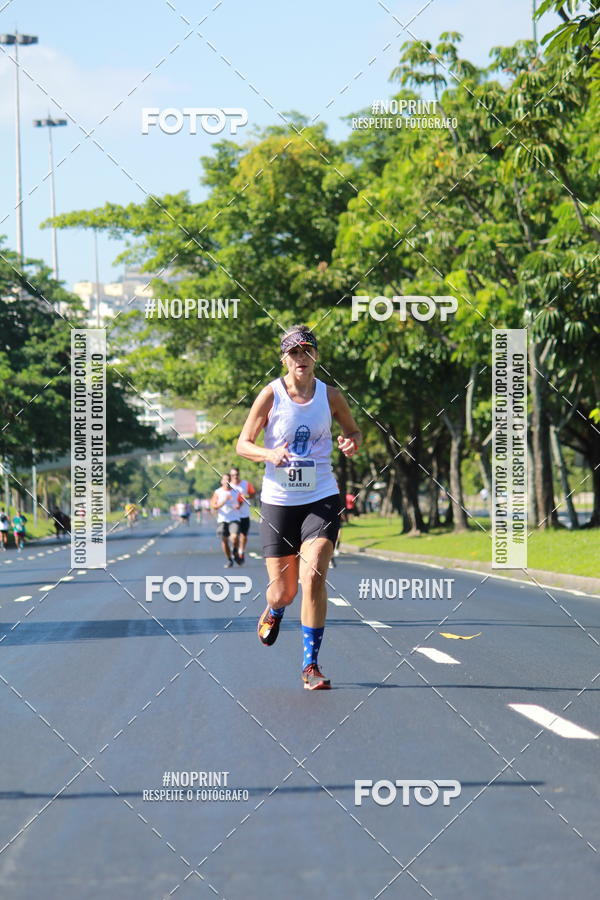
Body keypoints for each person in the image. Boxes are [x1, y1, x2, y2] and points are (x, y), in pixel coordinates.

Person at [236, 324, 361, 690]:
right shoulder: (271, 395)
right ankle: (274, 610)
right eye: (293, 353)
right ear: (284, 358)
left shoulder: (331, 396)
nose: (300, 358)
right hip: (278, 503)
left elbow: (354, 432)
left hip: (321, 497)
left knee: (314, 577)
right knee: (284, 591)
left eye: (306, 351)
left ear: (315, 356)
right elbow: (242, 443)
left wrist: (351, 442)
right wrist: (269, 453)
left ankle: (311, 665)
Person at [210, 475, 241, 568]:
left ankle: (235, 551)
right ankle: (229, 559)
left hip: (234, 518)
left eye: (228, 480)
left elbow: (241, 501)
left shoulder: (236, 491)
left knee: (234, 537)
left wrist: (238, 505)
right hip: (222, 519)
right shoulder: (218, 492)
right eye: (225, 480)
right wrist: (224, 501)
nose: (226, 481)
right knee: (224, 540)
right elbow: (214, 506)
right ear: (221, 481)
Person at [228, 466, 256, 565]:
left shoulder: (245, 484)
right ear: (230, 476)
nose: (235, 477)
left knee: (244, 535)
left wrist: (246, 496)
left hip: (244, 514)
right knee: (234, 536)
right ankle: (234, 548)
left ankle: (241, 552)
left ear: (239, 475)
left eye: (236, 475)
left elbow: (253, 494)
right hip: (233, 515)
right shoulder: (228, 486)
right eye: (232, 475)